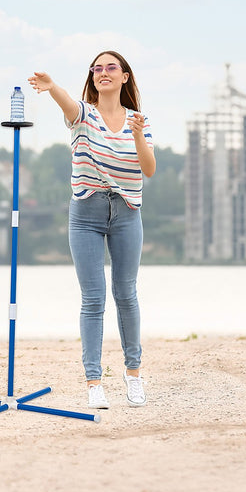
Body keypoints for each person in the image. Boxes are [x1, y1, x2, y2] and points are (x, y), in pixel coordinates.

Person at [28, 51, 155, 409]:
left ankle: (134, 375)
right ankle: (94, 381)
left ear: (125, 76)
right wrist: (52, 87)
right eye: (97, 68)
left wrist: (139, 135)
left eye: (111, 67)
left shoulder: (138, 120)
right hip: (86, 213)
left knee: (126, 294)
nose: (103, 73)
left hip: (128, 212)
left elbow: (149, 169)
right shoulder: (84, 114)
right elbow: (68, 103)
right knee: (93, 299)